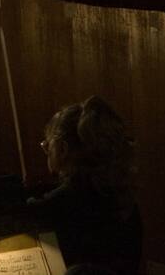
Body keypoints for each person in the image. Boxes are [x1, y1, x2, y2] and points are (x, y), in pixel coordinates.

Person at [28, 96, 142, 275]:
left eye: (47, 145)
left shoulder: (60, 204)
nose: (47, 152)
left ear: (63, 149)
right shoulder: (122, 199)